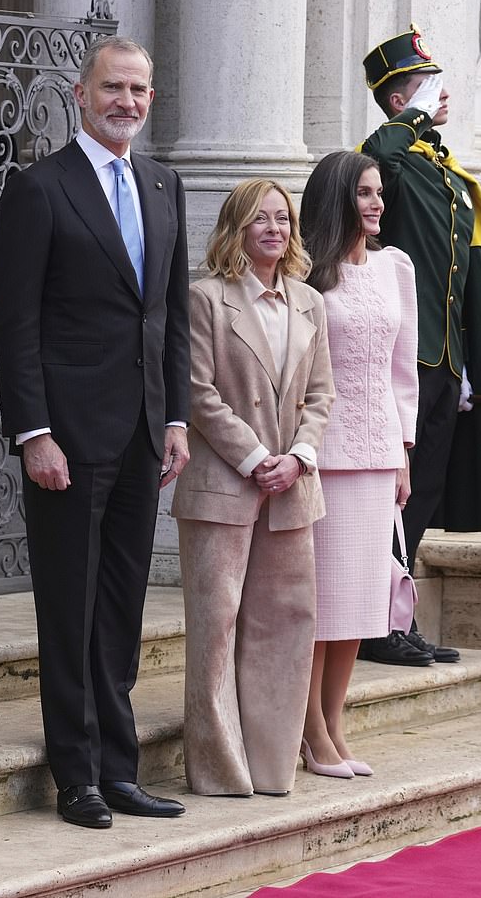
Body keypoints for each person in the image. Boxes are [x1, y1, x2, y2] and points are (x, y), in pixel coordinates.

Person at [0, 35, 191, 828]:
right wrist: (33, 431)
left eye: (140, 90)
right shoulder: (39, 189)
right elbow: (16, 323)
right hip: (66, 443)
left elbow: (168, 316)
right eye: (114, 87)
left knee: (120, 609)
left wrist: (175, 415)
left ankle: (119, 767)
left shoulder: (163, 183)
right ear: (80, 93)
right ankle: (75, 775)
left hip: (144, 437)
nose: (129, 102)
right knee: (69, 611)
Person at [172, 179, 335, 796]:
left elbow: (322, 393)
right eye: (261, 219)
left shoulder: (309, 302)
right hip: (223, 488)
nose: (275, 228)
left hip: (293, 487)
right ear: (236, 228)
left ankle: (272, 768)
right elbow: (197, 392)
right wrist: (257, 457)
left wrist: (299, 456)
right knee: (216, 628)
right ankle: (219, 772)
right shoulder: (206, 299)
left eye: (284, 218)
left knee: (285, 625)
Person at [357, 24, 481, 666]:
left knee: (424, 496)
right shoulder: (393, 160)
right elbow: (371, 152)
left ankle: (396, 619)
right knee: (391, 495)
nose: (441, 97)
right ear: (397, 100)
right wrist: (408, 115)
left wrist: (468, 365)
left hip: (443, 359)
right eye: (425, 86)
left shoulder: (443, 171)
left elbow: (459, 271)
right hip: (402, 357)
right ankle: (371, 621)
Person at [299, 151, 418, 776]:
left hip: (378, 454)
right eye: (363, 193)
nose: (375, 203)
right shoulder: (307, 276)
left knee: (361, 603)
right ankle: (310, 731)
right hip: (323, 453)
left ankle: (335, 724)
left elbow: (404, 370)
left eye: (378, 193)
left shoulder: (396, 268)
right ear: (337, 198)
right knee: (321, 603)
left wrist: (403, 451)